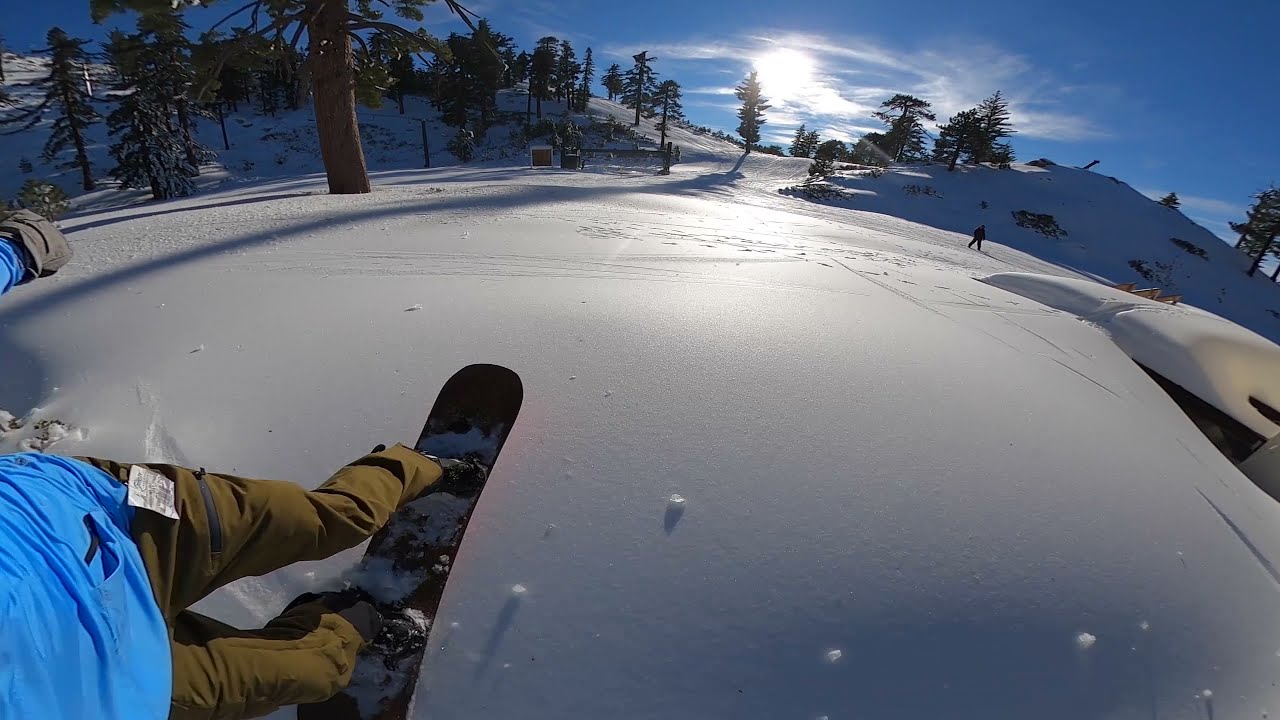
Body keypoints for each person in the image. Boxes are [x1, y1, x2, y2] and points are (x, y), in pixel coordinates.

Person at [0, 210, 485, 720]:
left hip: (108, 515)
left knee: (331, 519)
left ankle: (421, 467)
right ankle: (354, 621)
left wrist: (18, 248)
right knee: (314, 672)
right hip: (111, 678)